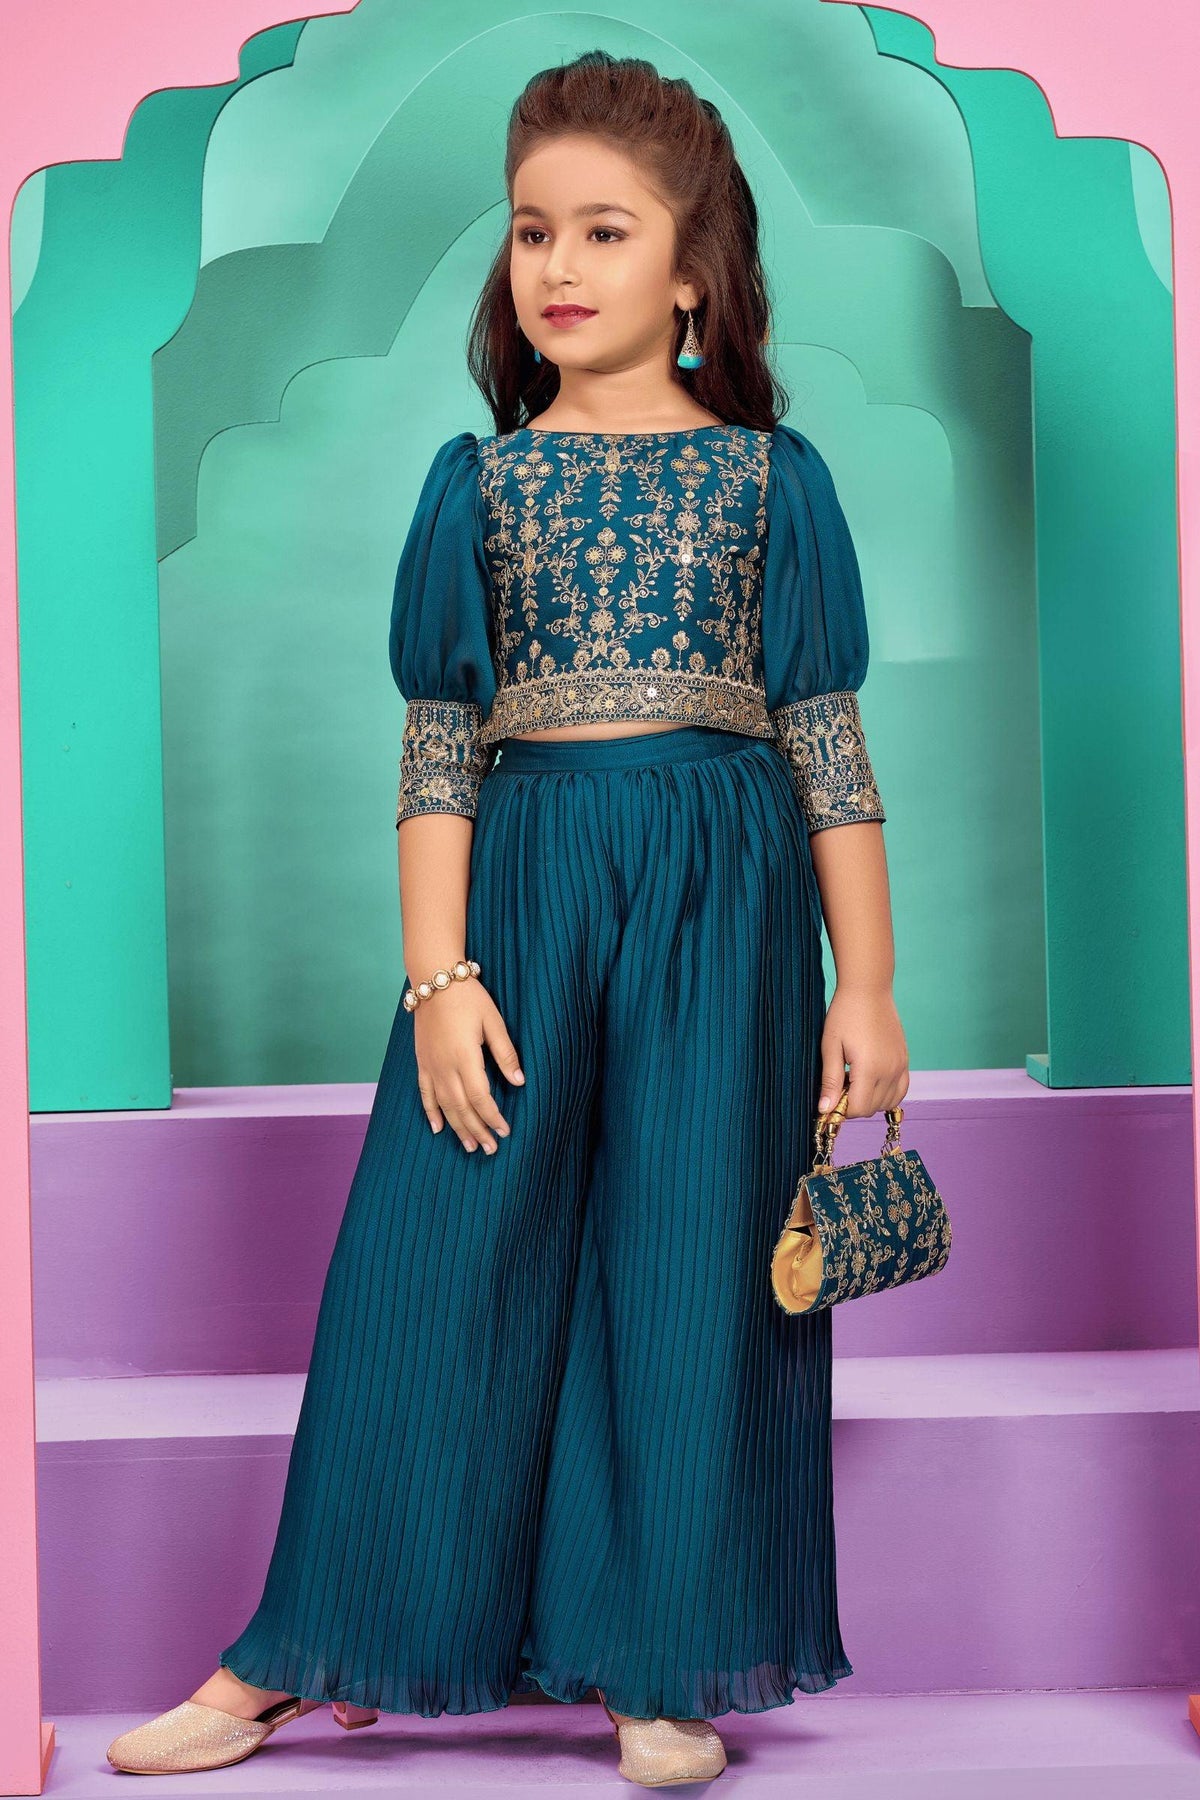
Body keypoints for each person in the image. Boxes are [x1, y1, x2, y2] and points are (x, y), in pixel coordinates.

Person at [108, 49, 908, 1788]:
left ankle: (656, 1663)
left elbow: (828, 742)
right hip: (523, 896)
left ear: (691, 270)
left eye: (605, 230)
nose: (557, 263)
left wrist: (871, 988)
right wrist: (438, 979)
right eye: (533, 229)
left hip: (726, 904)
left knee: (690, 1269)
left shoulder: (774, 482)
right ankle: (296, 1654)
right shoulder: (478, 486)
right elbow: (439, 749)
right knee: (436, 1264)